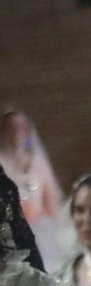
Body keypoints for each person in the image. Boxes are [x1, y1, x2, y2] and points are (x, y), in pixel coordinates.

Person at [1, 109, 63, 263]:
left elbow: (51, 201)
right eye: (12, 127)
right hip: (9, 235)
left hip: (40, 232)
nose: (16, 132)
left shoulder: (38, 163)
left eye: (21, 127)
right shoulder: (1, 163)